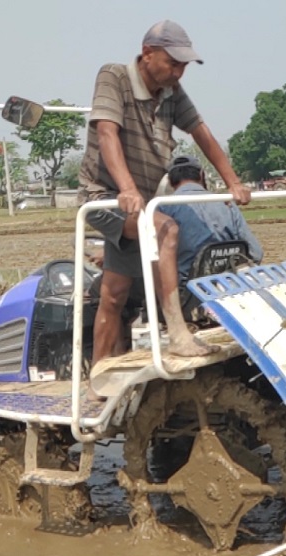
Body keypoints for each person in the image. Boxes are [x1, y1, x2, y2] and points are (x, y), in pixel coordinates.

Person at [77, 19, 252, 397]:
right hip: (105, 195)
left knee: (114, 292)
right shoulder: (114, 76)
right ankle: (176, 333)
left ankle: (97, 377)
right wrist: (125, 188)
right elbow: (107, 133)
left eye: (184, 65)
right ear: (148, 54)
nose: (179, 71)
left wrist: (232, 181)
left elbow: (201, 133)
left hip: (140, 201)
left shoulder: (172, 93)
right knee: (166, 229)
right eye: (173, 63)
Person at [160, 154, 264, 281]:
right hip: (229, 284)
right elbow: (256, 253)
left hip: (187, 290)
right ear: (202, 175)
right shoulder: (227, 203)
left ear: (170, 181)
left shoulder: (162, 208)